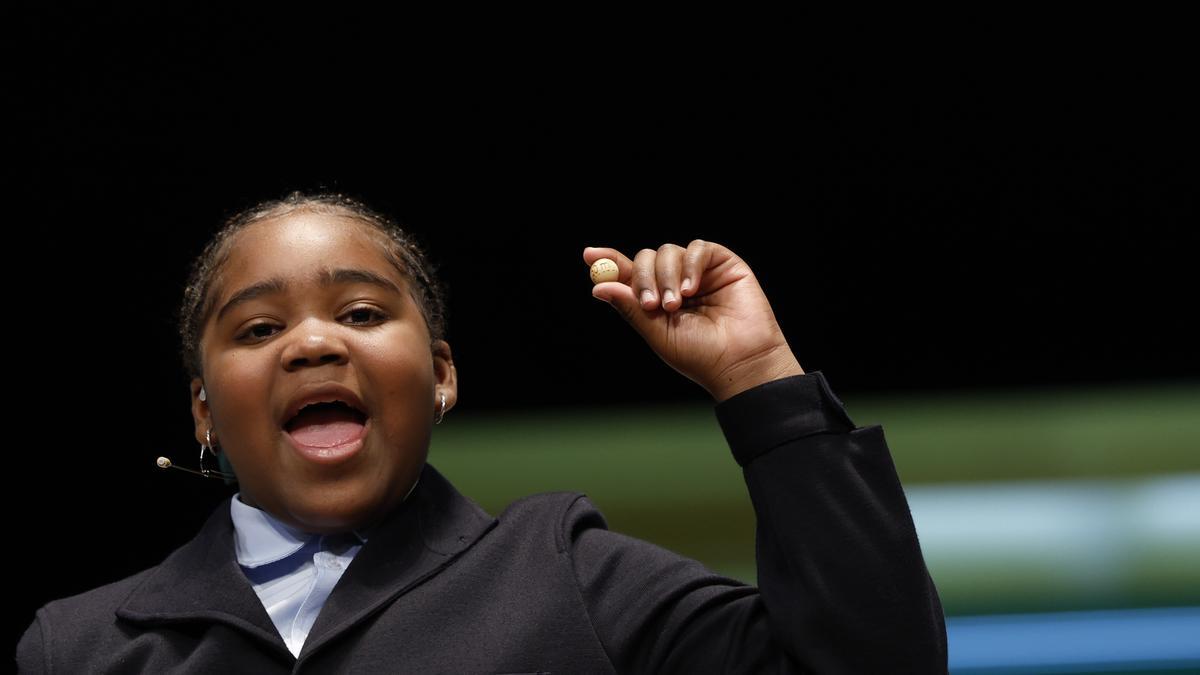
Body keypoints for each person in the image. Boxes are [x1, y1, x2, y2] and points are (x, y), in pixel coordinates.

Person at [15, 190, 948, 673]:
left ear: (443, 375)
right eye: (259, 329)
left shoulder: (570, 573)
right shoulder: (81, 646)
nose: (311, 341)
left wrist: (759, 379)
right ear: (203, 411)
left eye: (365, 313)